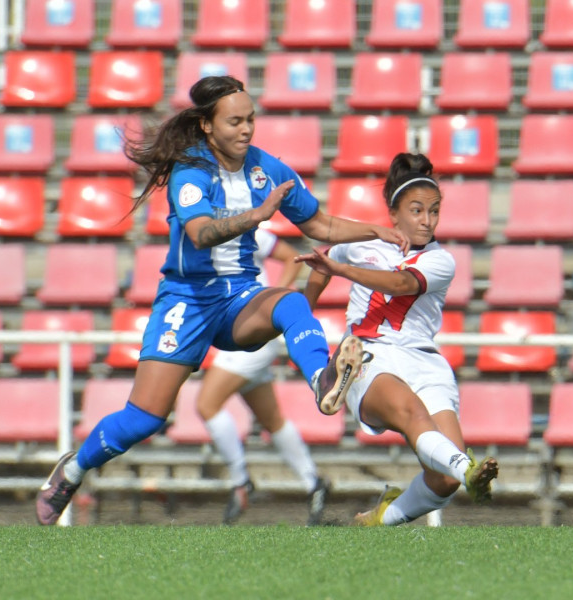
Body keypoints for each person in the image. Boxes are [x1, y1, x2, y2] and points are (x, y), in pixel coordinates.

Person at [35, 75, 408, 526]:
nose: (247, 129)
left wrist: (377, 229)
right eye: (235, 121)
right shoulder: (191, 171)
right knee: (145, 419)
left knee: (291, 304)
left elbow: (321, 225)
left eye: (250, 119)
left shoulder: (266, 168)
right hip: (186, 299)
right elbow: (199, 232)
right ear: (208, 126)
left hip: (239, 298)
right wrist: (256, 215)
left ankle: (323, 380)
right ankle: (71, 471)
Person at [298, 152, 499, 526]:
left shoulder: (441, 261)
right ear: (394, 214)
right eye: (417, 210)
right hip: (368, 355)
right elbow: (323, 261)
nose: (427, 220)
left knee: (442, 479)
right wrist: (303, 313)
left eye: (434, 211)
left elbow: (400, 284)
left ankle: (379, 519)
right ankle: (469, 470)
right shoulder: (361, 244)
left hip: (424, 361)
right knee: (415, 417)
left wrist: (340, 269)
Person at [196, 228, 331, 525]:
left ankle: (240, 480)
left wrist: (271, 305)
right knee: (272, 420)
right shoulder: (205, 229)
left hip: (250, 332)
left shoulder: (247, 228)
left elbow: (291, 260)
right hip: (236, 331)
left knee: (206, 404)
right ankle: (314, 483)